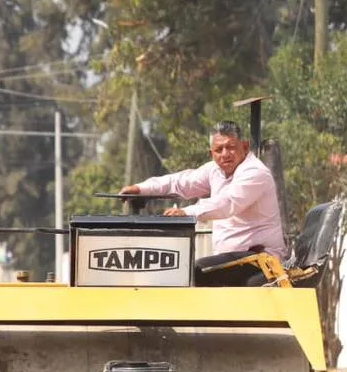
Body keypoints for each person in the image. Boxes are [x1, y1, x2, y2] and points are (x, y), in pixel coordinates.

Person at [121, 120, 286, 286]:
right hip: (235, 259)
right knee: (181, 269)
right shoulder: (215, 170)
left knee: (194, 272)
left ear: (244, 146)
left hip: (260, 260)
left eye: (231, 147)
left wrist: (187, 212)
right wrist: (140, 188)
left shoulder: (255, 172)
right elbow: (180, 182)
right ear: (211, 153)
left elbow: (227, 203)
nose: (225, 154)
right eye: (219, 150)